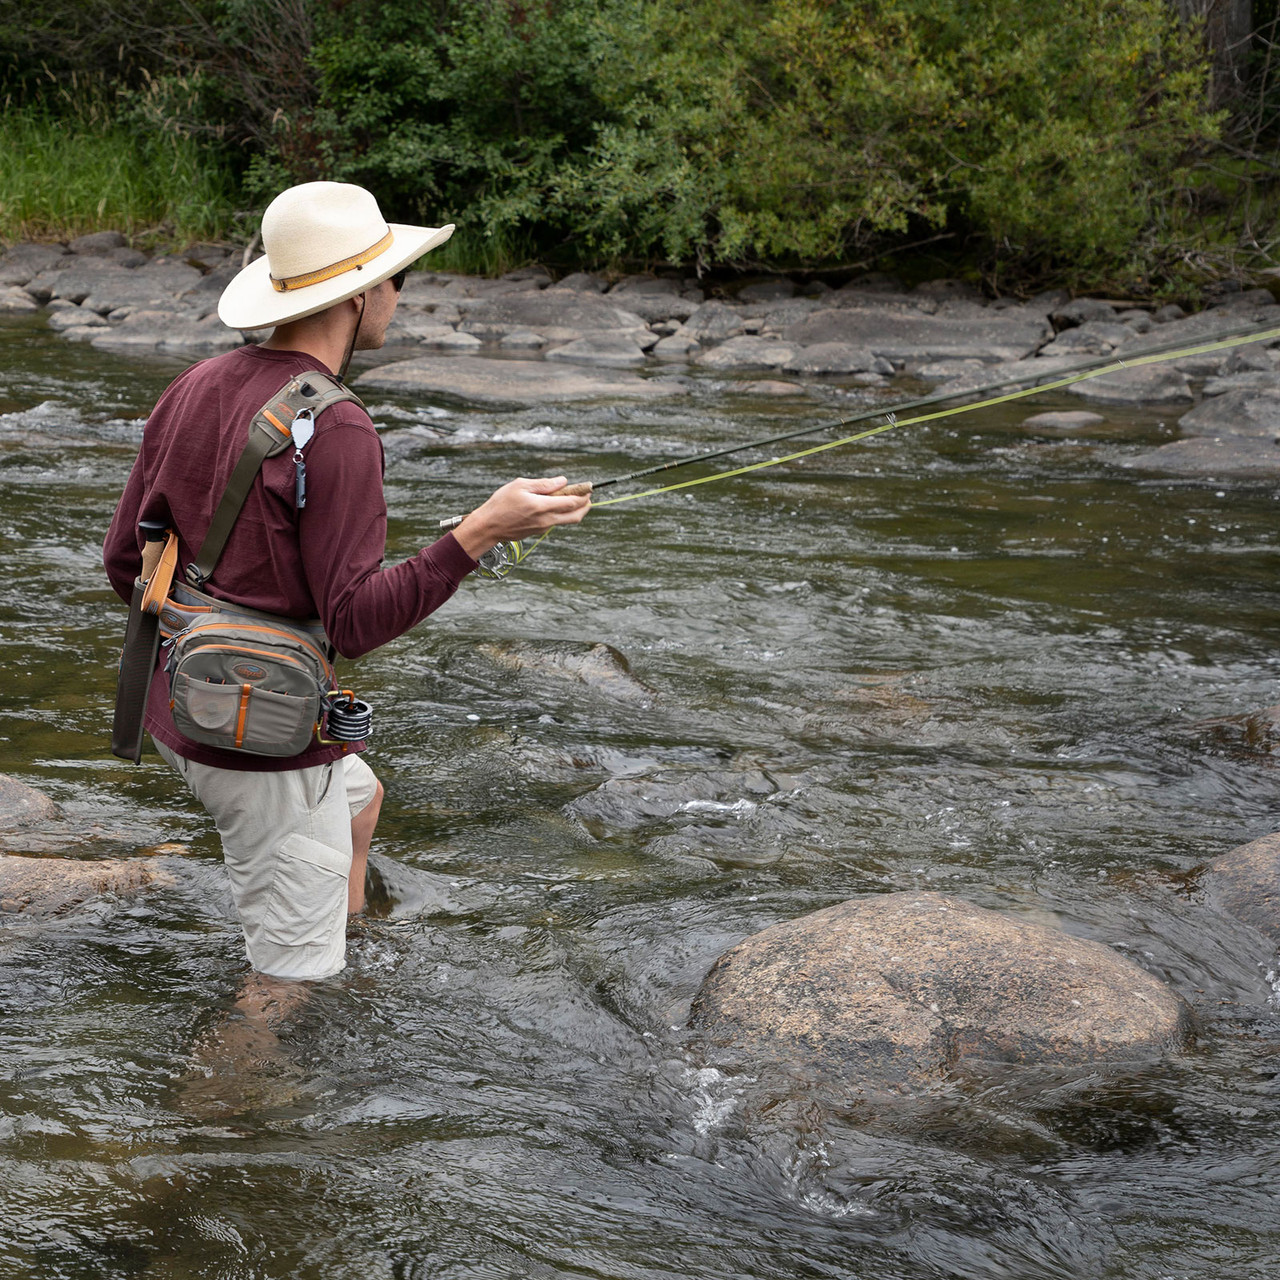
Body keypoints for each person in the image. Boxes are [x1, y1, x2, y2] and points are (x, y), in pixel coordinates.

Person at [103, 180, 590, 985]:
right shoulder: (337, 427)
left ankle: (343, 945)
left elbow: (127, 559)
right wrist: (478, 534)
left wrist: (206, 639)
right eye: (399, 279)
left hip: (177, 709)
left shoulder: (195, 384)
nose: (400, 296)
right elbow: (357, 625)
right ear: (362, 294)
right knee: (285, 989)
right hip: (258, 747)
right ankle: (224, 1094)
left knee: (362, 798)